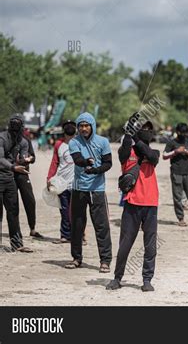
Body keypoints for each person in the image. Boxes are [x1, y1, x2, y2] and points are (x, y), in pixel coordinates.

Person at [106, 115, 160, 292]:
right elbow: (125, 149)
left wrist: (136, 135)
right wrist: (128, 133)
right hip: (132, 203)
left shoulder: (154, 153)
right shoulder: (126, 153)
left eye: (149, 129)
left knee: (150, 245)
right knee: (125, 244)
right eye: (143, 128)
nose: (147, 132)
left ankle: (147, 279)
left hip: (151, 203)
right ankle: (117, 277)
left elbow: (150, 155)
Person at [65, 112, 113, 273]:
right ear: (78, 128)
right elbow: (77, 159)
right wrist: (86, 163)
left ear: (92, 126)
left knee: (101, 226)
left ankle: (105, 260)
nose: (84, 128)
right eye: (81, 126)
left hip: (97, 190)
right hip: (79, 189)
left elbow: (108, 163)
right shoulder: (74, 142)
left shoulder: (103, 141)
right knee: (77, 225)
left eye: (86, 125)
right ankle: (76, 258)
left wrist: (96, 170)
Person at [0, 114, 33, 252]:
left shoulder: (23, 142)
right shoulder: (2, 137)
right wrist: (13, 167)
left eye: (18, 123)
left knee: (13, 212)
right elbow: (0, 158)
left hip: (10, 179)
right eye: (13, 122)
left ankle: (17, 244)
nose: (15, 126)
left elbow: (23, 158)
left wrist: (26, 160)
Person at [47, 120, 76, 243]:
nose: (70, 128)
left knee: (76, 211)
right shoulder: (59, 144)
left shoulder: (81, 143)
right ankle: (65, 235)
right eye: (67, 126)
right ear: (63, 130)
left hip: (77, 183)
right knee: (64, 210)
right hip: (61, 183)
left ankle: (79, 236)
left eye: (72, 126)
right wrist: (49, 178)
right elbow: (54, 162)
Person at [12, 127, 43, 238]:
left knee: (30, 201)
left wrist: (29, 159)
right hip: (10, 174)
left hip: (24, 174)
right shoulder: (5, 140)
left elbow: (33, 157)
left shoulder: (26, 140)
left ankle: (32, 229)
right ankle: (15, 230)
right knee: (12, 203)